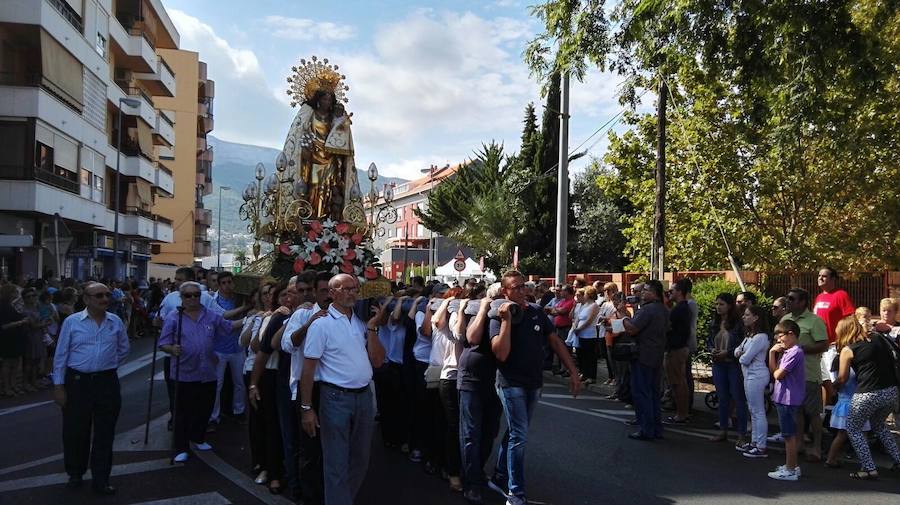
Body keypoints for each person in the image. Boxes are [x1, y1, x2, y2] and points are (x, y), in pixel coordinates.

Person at [488, 271, 581, 505]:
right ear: (504, 291)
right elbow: (500, 353)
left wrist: (573, 371)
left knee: (515, 432)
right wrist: (507, 320)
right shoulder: (497, 315)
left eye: (523, 287)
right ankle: (515, 492)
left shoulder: (537, 312)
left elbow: (555, 341)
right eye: (515, 288)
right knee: (519, 435)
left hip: (533, 382)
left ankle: (499, 476)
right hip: (511, 383)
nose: (521, 291)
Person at [298, 274, 385, 505]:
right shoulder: (321, 324)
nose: (351, 293)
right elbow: (308, 369)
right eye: (345, 289)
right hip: (335, 398)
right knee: (336, 463)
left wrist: (373, 328)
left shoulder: (360, 321)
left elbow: (377, 361)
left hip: (364, 397)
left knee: (360, 459)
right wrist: (306, 408)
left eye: (354, 288)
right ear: (332, 293)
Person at [52, 282, 129, 495]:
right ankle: (75, 473)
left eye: (107, 295)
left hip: (107, 383)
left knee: (105, 433)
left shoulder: (115, 322)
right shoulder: (72, 322)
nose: (105, 299)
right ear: (86, 299)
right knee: (76, 431)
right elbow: (61, 355)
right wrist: (58, 386)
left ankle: (101, 479)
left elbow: (124, 349)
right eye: (99, 295)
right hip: (77, 382)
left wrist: (106, 365)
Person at [158, 282, 240, 464]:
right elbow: (163, 343)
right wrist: (172, 349)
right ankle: (181, 447)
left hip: (207, 371)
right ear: (182, 298)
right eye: (188, 295)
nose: (193, 298)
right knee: (182, 412)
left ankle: (198, 437)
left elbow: (228, 326)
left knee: (204, 408)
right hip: (184, 372)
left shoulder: (210, 315)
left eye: (196, 295)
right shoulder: (174, 317)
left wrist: (253, 318)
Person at [282, 272, 331, 505]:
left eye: (310, 290)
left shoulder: (339, 314)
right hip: (307, 388)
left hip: (333, 390)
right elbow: (288, 344)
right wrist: (309, 323)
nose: (308, 295)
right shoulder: (302, 314)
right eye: (303, 290)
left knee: (330, 448)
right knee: (309, 448)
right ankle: (308, 495)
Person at [833, 316, 900, 479]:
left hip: (867, 394)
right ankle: (898, 459)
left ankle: (869, 469)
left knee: (853, 428)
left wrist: (832, 388)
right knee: (879, 425)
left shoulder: (848, 349)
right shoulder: (878, 338)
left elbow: (842, 378)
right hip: (891, 391)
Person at [458, 285, 501, 505]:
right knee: (470, 435)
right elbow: (472, 337)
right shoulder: (477, 310)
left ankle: (478, 471)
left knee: (490, 431)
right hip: (472, 380)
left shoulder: (507, 313)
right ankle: (471, 482)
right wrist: (484, 307)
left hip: (495, 383)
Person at [781, 287, 828, 462]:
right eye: (787, 298)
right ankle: (799, 443)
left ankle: (816, 446)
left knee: (813, 412)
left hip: (808, 373)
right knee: (797, 411)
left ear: (802, 302)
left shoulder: (815, 321)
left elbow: (824, 344)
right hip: (789, 374)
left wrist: (800, 349)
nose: (788, 301)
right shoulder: (785, 319)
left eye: (792, 299)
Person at [621, 280, 668, 441]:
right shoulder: (663, 309)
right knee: (653, 393)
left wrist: (624, 317)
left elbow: (633, 328)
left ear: (653, 293)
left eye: (645, 290)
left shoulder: (648, 310)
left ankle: (646, 429)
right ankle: (656, 428)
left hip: (643, 356)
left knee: (642, 393)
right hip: (656, 355)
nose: (642, 293)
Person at [824, 315, 871, 469]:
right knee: (846, 434)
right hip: (849, 399)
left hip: (851, 399)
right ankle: (832, 459)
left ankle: (865, 463)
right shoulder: (846, 354)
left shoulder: (847, 352)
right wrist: (834, 388)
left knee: (853, 433)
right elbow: (843, 378)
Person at [209, 271, 251, 426]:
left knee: (239, 382)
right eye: (224, 283)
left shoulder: (239, 298)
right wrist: (245, 312)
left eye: (229, 282)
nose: (227, 285)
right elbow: (224, 316)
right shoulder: (213, 301)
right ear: (219, 285)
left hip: (237, 347)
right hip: (219, 348)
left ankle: (238, 410)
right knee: (217, 384)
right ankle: (214, 416)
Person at [767, 320, 806, 481]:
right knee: (788, 434)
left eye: (781, 336)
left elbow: (777, 375)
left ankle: (790, 470)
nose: (778, 340)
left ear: (791, 334)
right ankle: (793, 465)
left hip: (788, 399)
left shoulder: (795, 352)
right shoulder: (789, 351)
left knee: (788, 436)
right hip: (783, 397)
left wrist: (771, 354)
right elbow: (774, 372)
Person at [707, 293, 748, 446]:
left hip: (733, 364)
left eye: (721, 304)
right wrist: (712, 350)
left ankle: (742, 434)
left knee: (738, 398)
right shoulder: (714, 322)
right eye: (717, 304)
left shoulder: (738, 323)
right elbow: (710, 341)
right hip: (719, 363)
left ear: (730, 306)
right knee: (722, 397)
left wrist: (728, 352)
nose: (718, 307)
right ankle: (723, 430)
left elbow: (742, 345)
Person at [735, 305, 772, 458]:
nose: (744, 317)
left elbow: (745, 357)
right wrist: (741, 354)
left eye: (748, 315)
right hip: (749, 374)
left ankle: (761, 445)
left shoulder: (760, 337)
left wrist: (741, 354)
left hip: (756, 375)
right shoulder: (750, 336)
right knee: (753, 409)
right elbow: (737, 350)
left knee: (758, 411)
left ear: (756, 318)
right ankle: (754, 442)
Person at [663, 279, 692, 424]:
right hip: (679, 348)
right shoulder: (682, 308)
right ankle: (683, 412)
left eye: (672, 291)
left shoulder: (679, 309)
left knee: (677, 382)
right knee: (680, 382)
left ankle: (681, 414)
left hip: (676, 349)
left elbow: (667, 326)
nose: (669, 293)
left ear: (679, 292)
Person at [813, 267, 855, 344]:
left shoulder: (841, 295)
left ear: (833, 279)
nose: (820, 278)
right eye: (819, 276)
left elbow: (851, 319)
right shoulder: (819, 297)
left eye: (824, 276)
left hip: (834, 344)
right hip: (819, 344)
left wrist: (844, 339)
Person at [573, 286, 601, 384]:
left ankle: (591, 376)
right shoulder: (584, 305)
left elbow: (590, 320)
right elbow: (578, 317)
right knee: (582, 355)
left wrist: (580, 328)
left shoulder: (594, 305)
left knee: (590, 356)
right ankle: (584, 373)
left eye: (585, 294)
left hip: (590, 334)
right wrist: (575, 327)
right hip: (581, 334)